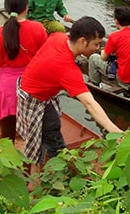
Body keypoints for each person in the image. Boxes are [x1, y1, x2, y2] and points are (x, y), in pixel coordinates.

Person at [16, 16, 123, 165]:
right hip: (34, 100)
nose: (98, 48)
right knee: (56, 146)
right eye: (96, 44)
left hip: (32, 90)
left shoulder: (58, 37)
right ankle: (55, 176)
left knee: (52, 128)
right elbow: (90, 103)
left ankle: (39, 169)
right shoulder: (66, 68)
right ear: (82, 41)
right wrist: (116, 131)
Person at [0, 0, 47, 141]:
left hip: (7, 88)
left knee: (8, 130)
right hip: (32, 84)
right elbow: (44, 59)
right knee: (34, 126)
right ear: (27, 6)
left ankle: (8, 157)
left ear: (6, 7)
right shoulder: (38, 29)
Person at [88, 7, 130, 87]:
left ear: (116, 21)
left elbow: (103, 58)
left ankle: (95, 84)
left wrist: (102, 51)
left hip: (124, 79)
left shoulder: (114, 37)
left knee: (93, 58)